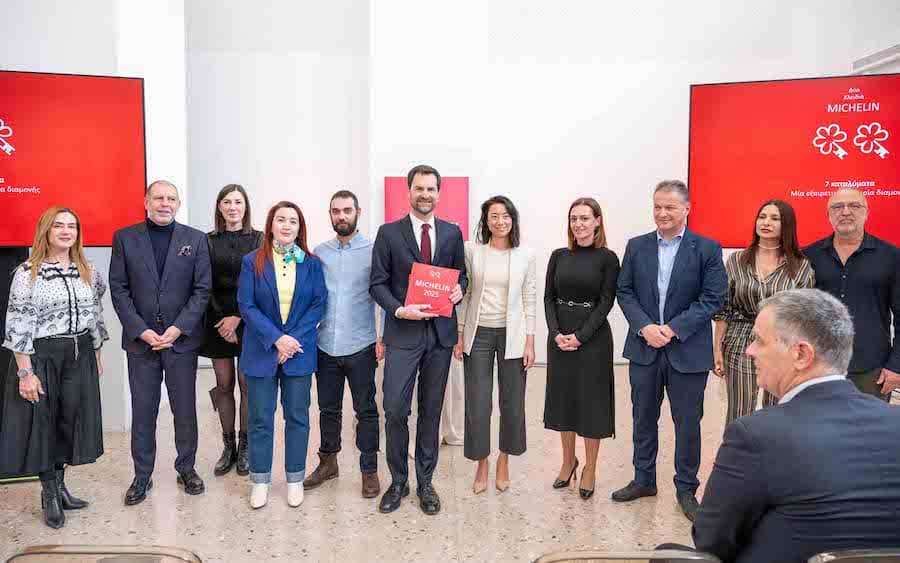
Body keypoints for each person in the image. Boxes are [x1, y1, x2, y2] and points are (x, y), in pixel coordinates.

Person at [691, 289, 900, 563]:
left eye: (759, 340)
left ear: (801, 354)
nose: (749, 350)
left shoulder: (755, 436)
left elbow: (710, 540)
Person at [613, 180, 726, 521]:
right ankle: (644, 479)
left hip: (687, 350)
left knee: (688, 422)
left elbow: (712, 298)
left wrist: (673, 328)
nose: (662, 213)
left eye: (670, 207)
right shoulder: (637, 246)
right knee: (643, 417)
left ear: (686, 209)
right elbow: (624, 291)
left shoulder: (707, 249)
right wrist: (645, 326)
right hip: (644, 347)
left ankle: (686, 488)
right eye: (657, 207)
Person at [0, 207, 109, 528]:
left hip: (80, 353)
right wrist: (25, 372)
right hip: (44, 355)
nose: (65, 231)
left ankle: (61, 487)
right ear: (46, 232)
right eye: (58, 225)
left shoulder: (88, 270)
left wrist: (97, 354)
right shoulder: (27, 273)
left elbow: (95, 313)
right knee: (44, 424)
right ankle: (48, 494)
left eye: (71, 226)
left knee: (68, 421)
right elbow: (18, 322)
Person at [370, 164, 467, 515]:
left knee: (431, 411)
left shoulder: (452, 233)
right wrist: (399, 310)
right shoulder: (388, 233)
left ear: (439, 193)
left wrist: (459, 290)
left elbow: (462, 277)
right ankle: (398, 481)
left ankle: (425, 482)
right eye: (419, 188)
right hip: (403, 334)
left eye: (431, 189)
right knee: (395, 409)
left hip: (440, 337)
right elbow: (377, 283)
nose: (425, 194)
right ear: (408, 191)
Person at [109, 180, 211, 506]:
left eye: (171, 198)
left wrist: (179, 328)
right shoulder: (125, 238)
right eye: (158, 198)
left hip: (181, 343)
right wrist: (140, 330)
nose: (165, 203)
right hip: (142, 344)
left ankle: (187, 468)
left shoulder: (195, 239)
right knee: (143, 412)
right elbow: (118, 289)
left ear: (178, 204)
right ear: (146, 202)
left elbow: (202, 290)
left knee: (185, 410)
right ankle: (142, 475)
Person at [237, 201, 326, 509]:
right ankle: (260, 480)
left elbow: (318, 304)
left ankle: (295, 479)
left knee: (298, 418)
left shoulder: (312, 263)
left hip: (298, 352)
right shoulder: (252, 261)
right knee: (260, 418)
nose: (287, 225)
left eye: (293, 221)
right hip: (261, 351)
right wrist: (277, 340)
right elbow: (246, 305)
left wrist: (290, 342)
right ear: (270, 225)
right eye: (281, 220)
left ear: (300, 228)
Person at [304, 190, 384, 499]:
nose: (341, 216)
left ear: (358, 212)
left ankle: (369, 470)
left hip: (361, 344)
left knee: (366, 410)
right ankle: (328, 463)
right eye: (336, 211)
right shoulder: (319, 253)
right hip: (325, 345)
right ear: (330, 215)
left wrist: (383, 337)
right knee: (328, 409)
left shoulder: (374, 251)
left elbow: (384, 296)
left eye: (347, 210)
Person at [455, 195, 536, 494]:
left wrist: (530, 341)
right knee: (478, 403)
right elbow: (466, 294)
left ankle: (504, 460)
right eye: (494, 216)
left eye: (505, 216)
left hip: (513, 335)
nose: (500, 221)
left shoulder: (526, 254)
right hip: (479, 334)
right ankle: (482, 463)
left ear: (513, 219)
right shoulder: (473, 251)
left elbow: (529, 297)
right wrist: (460, 333)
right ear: (486, 221)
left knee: (512, 403)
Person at [542, 198, 619, 500]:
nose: (578, 224)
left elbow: (606, 301)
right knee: (564, 401)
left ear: (597, 221)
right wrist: (555, 333)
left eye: (585, 218)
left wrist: (581, 336)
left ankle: (590, 467)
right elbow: (549, 297)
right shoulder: (559, 255)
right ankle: (567, 462)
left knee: (591, 405)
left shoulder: (607, 258)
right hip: (560, 337)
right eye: (574, 218)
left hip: (593, 339)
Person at [713, 200, 815, 424]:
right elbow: (724, 309)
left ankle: (772, 448)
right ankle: (738, 448)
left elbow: (804, 314)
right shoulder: (737, 260)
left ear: (786, 225)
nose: (766, 222)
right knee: (739, 412)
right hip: (740, 340)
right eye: (762, 217)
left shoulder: (801, 266)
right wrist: (717, 349)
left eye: (774, 218)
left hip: (783, 343)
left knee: (777, 412)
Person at [803, 187, 900, 401]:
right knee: (821, 422)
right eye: (838, 207)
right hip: (818, 365)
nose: (845, 211)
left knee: (869, 423)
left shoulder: (892, 256)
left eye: (854, 206)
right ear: (828, 215)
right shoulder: (808, 256)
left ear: (866, 213)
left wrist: (896, 366)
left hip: (871, 370)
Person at [200, 184, 262, 477]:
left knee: (247, 385)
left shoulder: (260, 239)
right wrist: (223, 319)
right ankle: (229, 447)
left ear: (245, 206)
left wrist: (238, 317)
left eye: (238, 202)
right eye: (227, 202)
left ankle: (246, 446)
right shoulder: (207, 241)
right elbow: (203, 284)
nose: (233, 207)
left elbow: (262, 282)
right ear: (219, 207)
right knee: (224, 385)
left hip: (250, 321)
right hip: (217, 321)